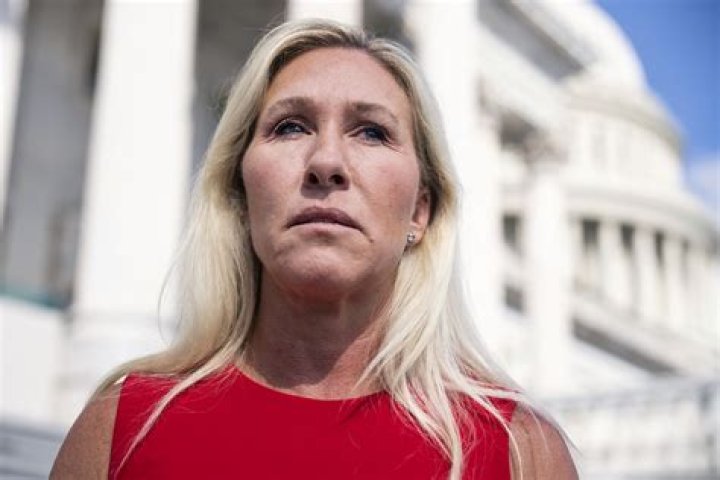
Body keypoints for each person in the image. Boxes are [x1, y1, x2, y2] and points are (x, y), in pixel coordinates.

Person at [51, 19, 577, 480]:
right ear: (240, 195)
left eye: (371, 132)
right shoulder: (122, 428)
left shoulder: (520, 451)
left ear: (420, 211)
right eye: (290, 127)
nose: (326, 163)